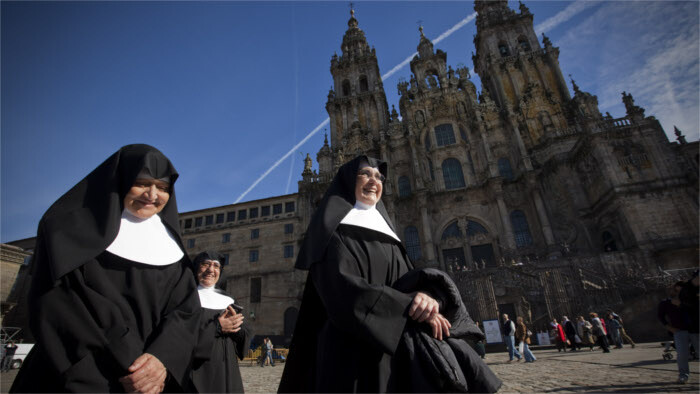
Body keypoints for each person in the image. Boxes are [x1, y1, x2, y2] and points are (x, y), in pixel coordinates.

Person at [278, 156, 500, 393]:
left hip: (397, 354)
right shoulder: (331, 232)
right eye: (365, 174)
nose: (374, 181)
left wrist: (426, 296)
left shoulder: (388, 235)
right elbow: (342, 292)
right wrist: (410, 308)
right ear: (347, 181)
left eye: (379, 177)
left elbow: (407, 280)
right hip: (351, 356)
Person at [10, 144, 201, 393]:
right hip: (81, 371)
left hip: (152, 381)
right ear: (120, 180)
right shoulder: (65, 229)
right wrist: (131, 364)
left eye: (163, 188)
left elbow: (185, 312)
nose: (152, 195)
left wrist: (161, 359)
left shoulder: (170, 246)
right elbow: (60, 304)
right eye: (142, 183)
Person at [189, 251, 251, 393]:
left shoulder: (229, 301)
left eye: (216, 266)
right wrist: (217, 327)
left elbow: (246, 335)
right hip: (197, 372)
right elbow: (179, 336)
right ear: (196, 268)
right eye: (205, 264)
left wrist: (236, 327)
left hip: (228, 371)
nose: (211, 270)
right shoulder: (185, 298)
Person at [658, 281, 697, 384]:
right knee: (682, 354)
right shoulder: (665, 302)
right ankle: (683, 375)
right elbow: (660, 316)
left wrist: (682, 304)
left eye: (675, 288)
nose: (673, 290)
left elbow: (695, 309)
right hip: (679, 331)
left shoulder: (690, 300)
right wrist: (668, 327)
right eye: (672, 289)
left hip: (695, 329)